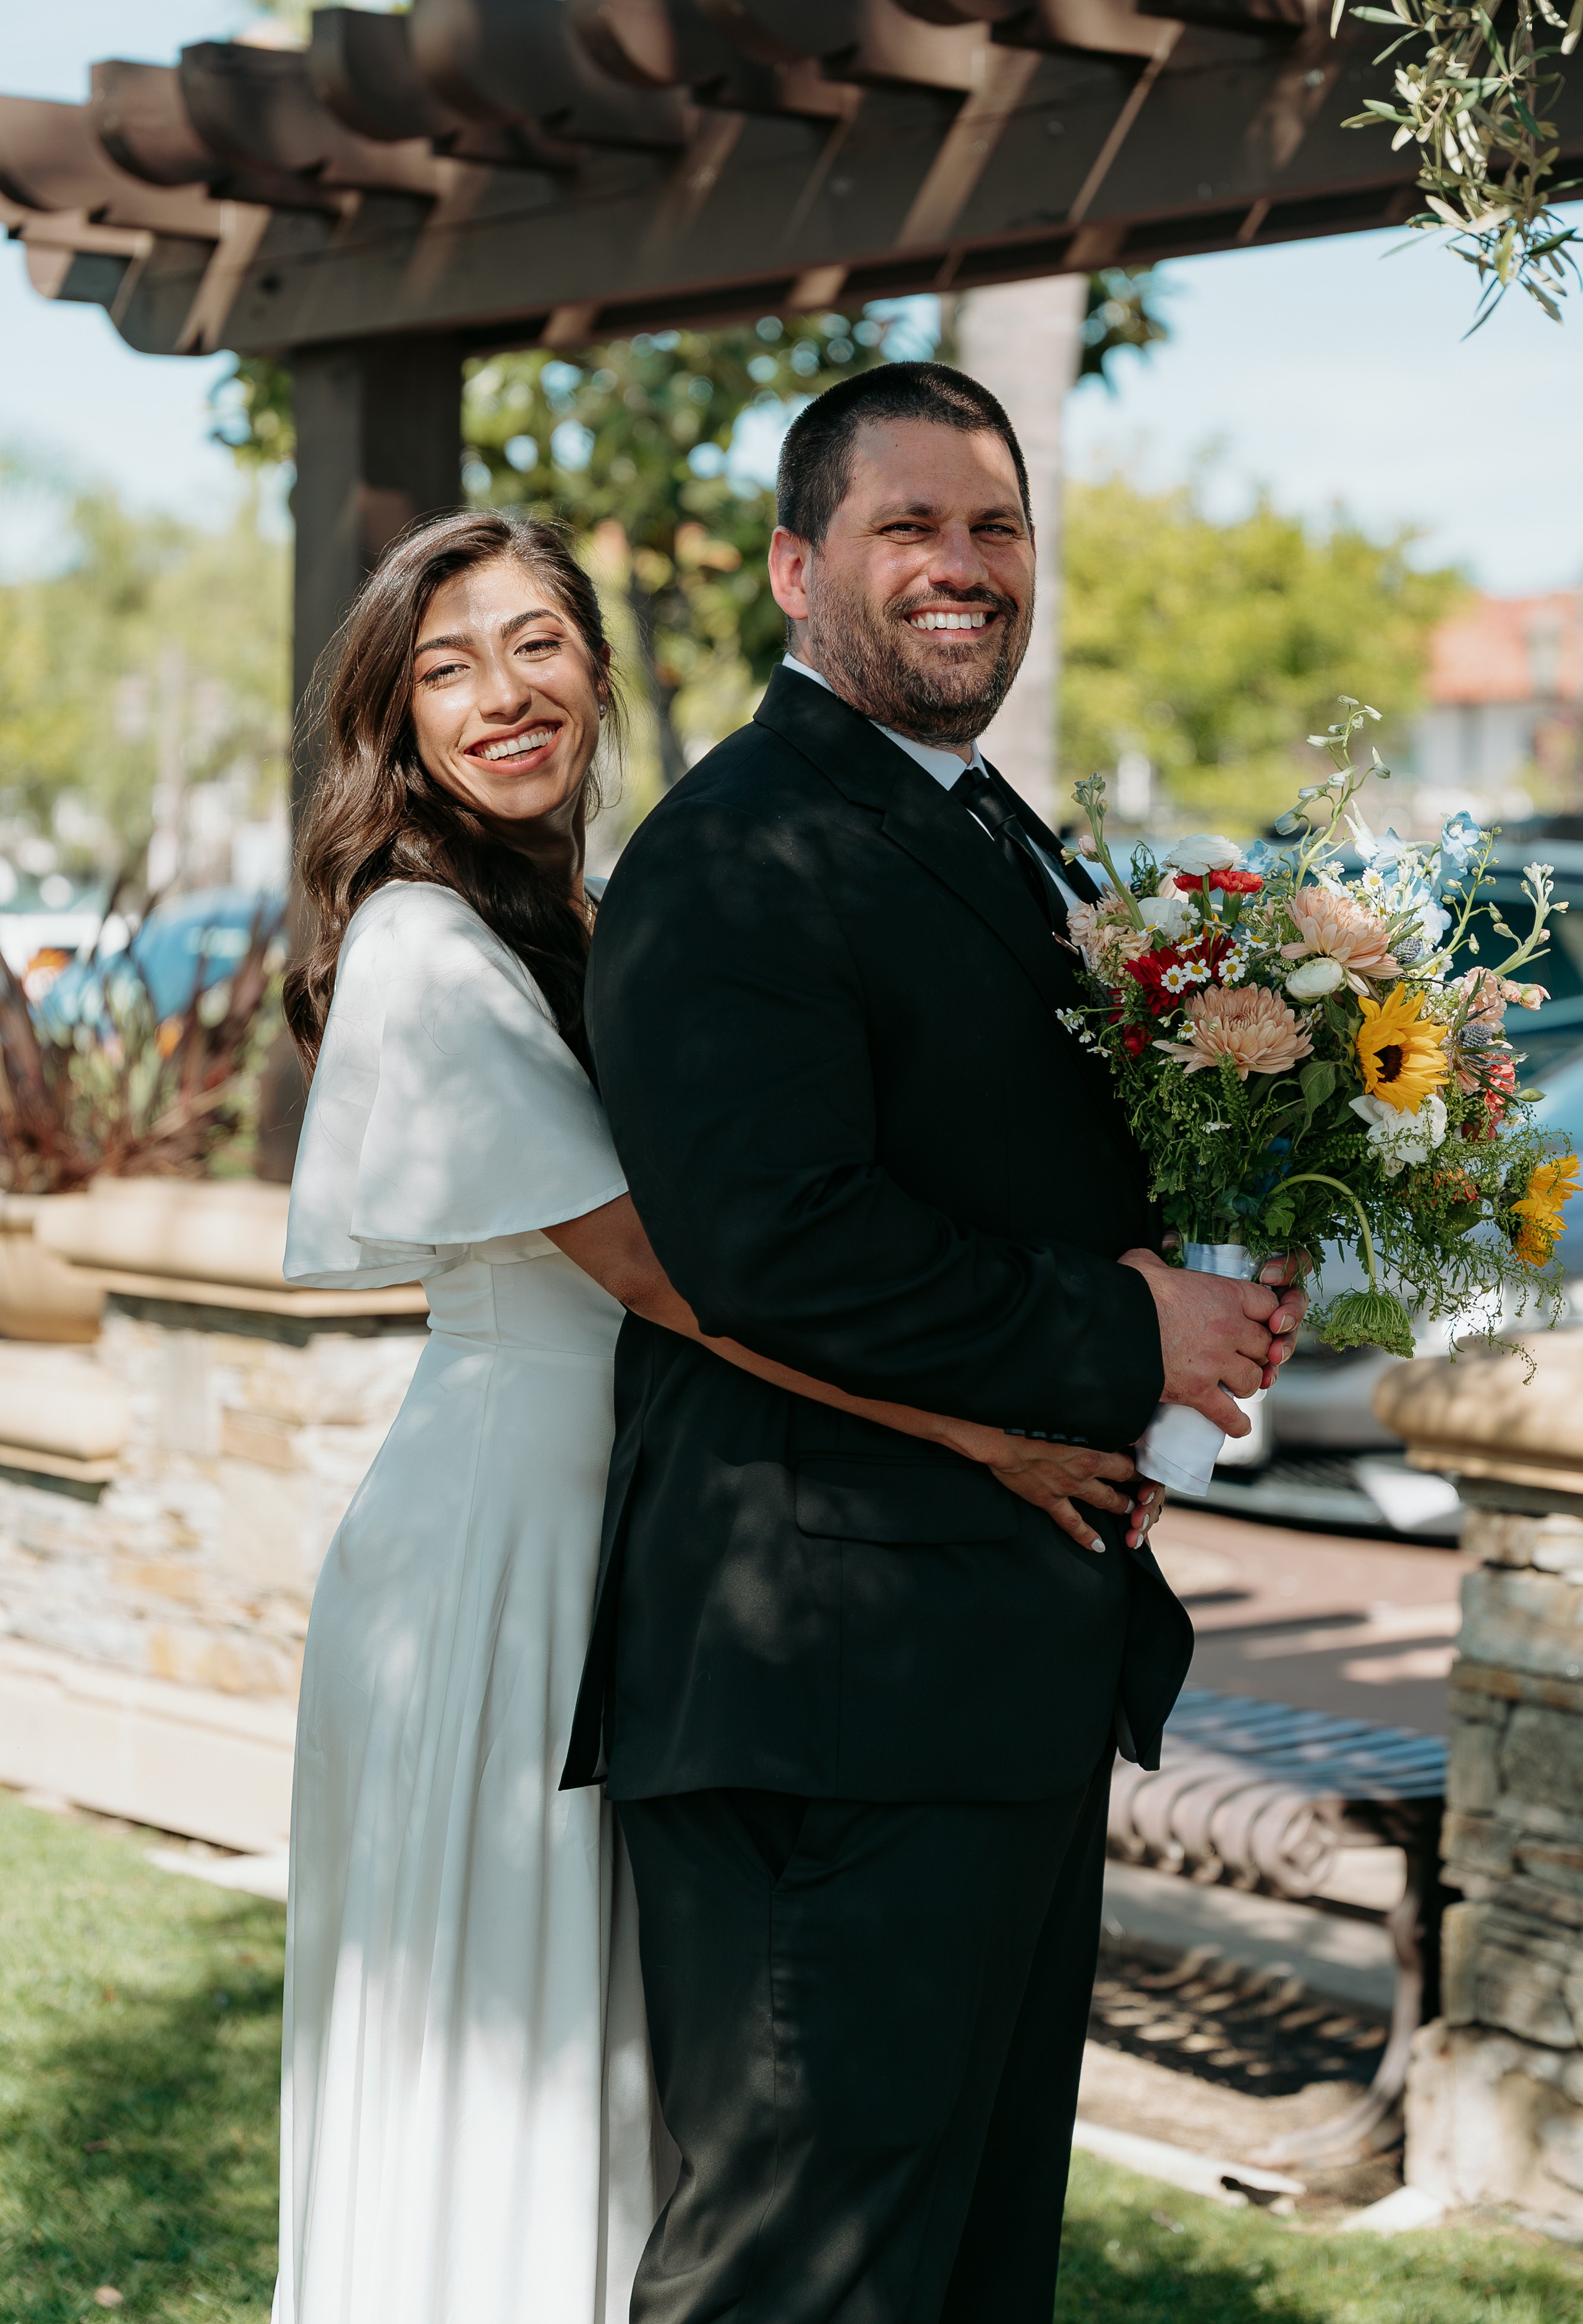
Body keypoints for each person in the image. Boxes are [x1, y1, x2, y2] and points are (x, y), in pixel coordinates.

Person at [271, 506, 1159, 2324]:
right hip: (503, 1539)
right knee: (497, 2044)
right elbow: (682, 1275)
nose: (502, 696)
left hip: (642, 1523)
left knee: (624, 2078)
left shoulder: (598, 916)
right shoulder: (427, 948)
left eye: (536, 645)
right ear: (395, 721)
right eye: (444, 669)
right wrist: (985, 1429)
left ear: (599, 664)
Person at [563, 364, 1307, 2324]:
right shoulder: (738, 855)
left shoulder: (1003, 832)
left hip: (996, 1670)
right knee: (808, 2275)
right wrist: (1116, 1323)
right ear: (799, 569)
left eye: (994, 527)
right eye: (909, 527)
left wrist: (1205, 1268)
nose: (963, 566)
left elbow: (1001, 1163)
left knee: (969, 2265)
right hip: (831, 1679)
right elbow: (771, 1247)